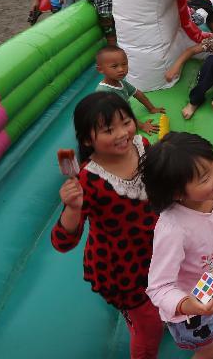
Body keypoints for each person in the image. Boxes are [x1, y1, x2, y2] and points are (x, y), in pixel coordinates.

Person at [51, 92, 163, 359]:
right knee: (149, 332)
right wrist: (73, 208)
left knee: (161, 305)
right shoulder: (88, 181)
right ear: (88, 139)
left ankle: (139, 317)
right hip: (124, 269)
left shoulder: (142, 144)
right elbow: (63, 242)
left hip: (158, 252)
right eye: (108, 130)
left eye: (126, 122)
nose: (122, 133)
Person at [142, 132, 213, 358]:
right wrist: (190, 305)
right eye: (204, 177)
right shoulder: (173, 229)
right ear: (177, 193)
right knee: (208, 349)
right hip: (189, 299)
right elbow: (159, 287)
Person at [95, 45, 166, 134]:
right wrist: (142, 126)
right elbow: (120, 115)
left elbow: (138, 93)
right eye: (114, 66)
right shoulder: (104, 92)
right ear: (100, 69)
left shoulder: (120, 82)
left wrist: (151, 108)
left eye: (124, 64)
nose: (121, 69)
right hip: (112, 120)